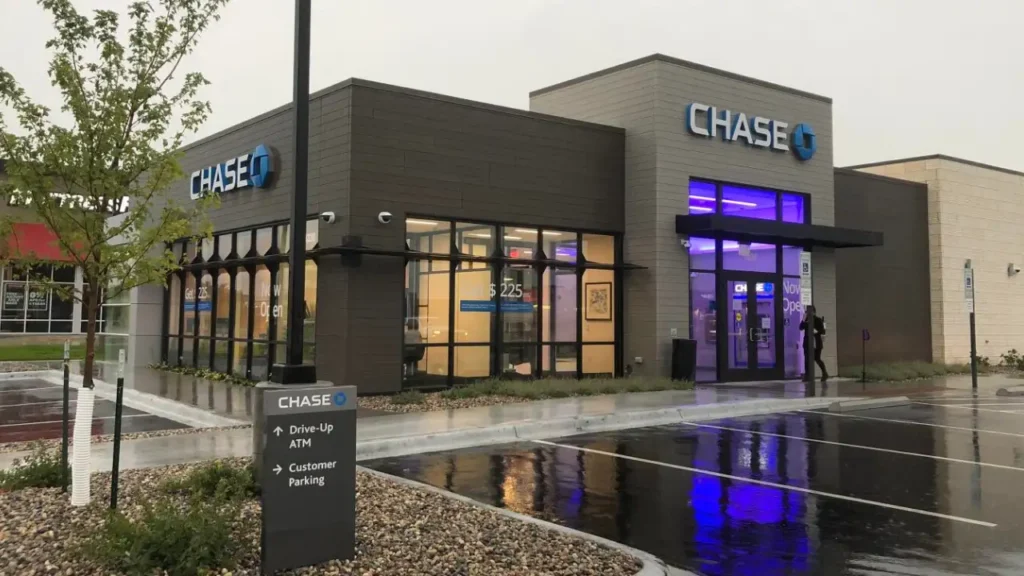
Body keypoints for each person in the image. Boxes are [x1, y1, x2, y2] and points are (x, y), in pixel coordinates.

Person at [799, 305, 829, 381]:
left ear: (813, 312)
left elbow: (822, 331)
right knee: (807, 359)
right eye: (806, 311)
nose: (807, 313)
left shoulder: (818, 320)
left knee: (817, 358)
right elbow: (801, 327)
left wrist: (816, 331)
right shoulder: (806, 319)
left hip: (816, 343)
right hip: (807, 343)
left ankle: (824, 373)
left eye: (808, 311)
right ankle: (807, 375)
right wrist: (803, 320)